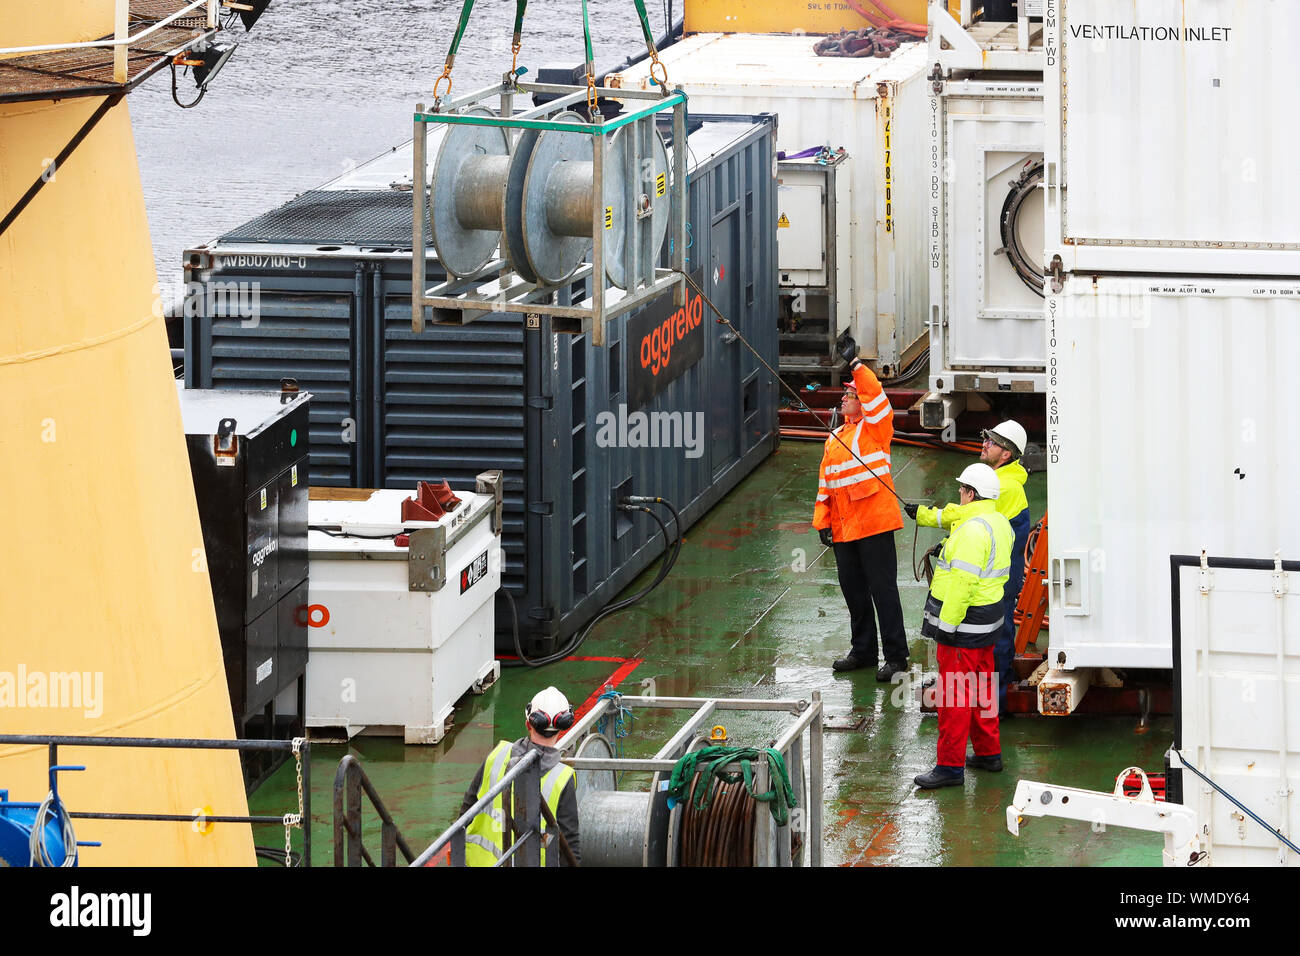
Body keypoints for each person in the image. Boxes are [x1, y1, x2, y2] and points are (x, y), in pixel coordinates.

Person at [904, 420, 1030, 714]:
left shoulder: (1004, 485)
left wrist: (928, 517)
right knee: (998, 632)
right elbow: (967, 513)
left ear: (1006, 455)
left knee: (996, 635)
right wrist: (925, 515)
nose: (984, 444)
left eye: (992, 442)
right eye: (986, 438)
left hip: (993, 581)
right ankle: (993, 697)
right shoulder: (1004, 480)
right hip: (997, 575)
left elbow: (968, 516)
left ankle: (993, 704)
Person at [911, 463, 1013, 790]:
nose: (958, 494)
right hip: (988, 622)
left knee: (955, 695)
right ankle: (988, 753)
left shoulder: (970, 531)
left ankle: (949, 767)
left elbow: (962, 585)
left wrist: (947, 626)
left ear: (971, 493)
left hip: (964, 626)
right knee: (982, 687)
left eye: (961, 489)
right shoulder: (998, 522)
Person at [812, 347, 908, 681]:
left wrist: (855, 365)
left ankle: (896, 656)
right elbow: (826, 484)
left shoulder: (876, 429)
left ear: (862, 402)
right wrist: (823, 522)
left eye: (850, 396)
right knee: (854, 592)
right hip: (844, 530)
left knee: (883, 591)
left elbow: (876, 394)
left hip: (875, 525)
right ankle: (864, 651)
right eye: (844, 396)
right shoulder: (835, 438)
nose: (844, 400)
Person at [460, 686, 580, 866]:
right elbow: (568, 846)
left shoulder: (497, 755)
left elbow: (466, 811)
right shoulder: (562, 778)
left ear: (528, 723)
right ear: (561, 729)